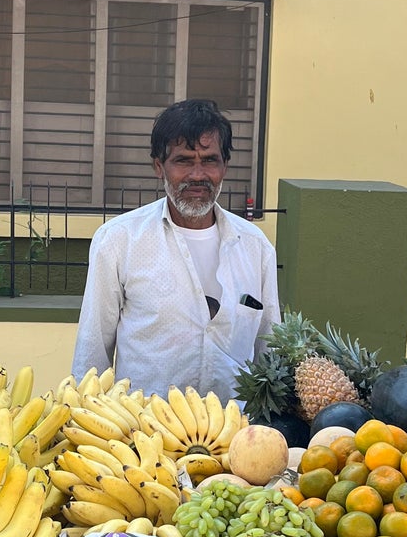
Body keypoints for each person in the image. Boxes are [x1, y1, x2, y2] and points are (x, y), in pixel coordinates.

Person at [71, 99, 279, 402]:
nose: (198, 175)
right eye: (183, 160)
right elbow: (93, 349)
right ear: (159, 167)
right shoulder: (119, 240)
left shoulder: (255, 246)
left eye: (209, 160)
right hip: (143, 432)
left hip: (236, 435)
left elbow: (269, 346)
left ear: (225, 167)